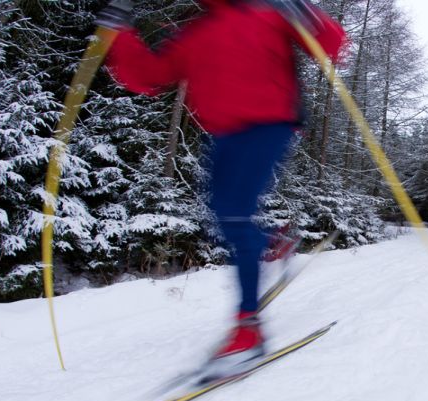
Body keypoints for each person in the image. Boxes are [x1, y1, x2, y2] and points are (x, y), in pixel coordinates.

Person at [96, 0, 347, 373]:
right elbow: (149, 75)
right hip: (222, 135)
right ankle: (273, 243)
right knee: (222, 214)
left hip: (269, 124)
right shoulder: (196, 30)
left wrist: (301, 10)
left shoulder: (268, 10)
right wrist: (119, 34)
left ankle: (249, 329)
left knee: (233, 213)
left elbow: (330, 43)